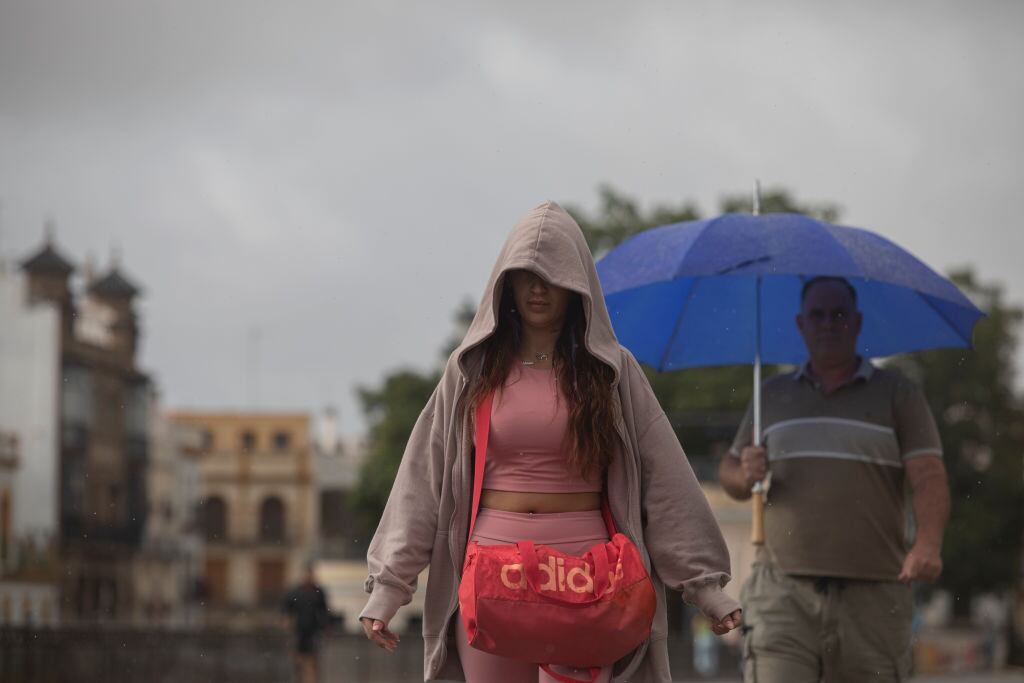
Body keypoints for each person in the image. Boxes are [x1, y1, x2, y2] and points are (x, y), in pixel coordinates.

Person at [359, 201, 742, 682]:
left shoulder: (612, 372)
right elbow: (422, 481)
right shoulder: (470, 369)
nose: (538, 288)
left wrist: (706, 587)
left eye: (552, 275)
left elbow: (666, 483)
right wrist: (389, 588)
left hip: (586, 578)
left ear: (578, 284)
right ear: (506, 283)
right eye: (525, 275)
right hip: (490, 576)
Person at [719, 276, 951, 683]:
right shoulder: (771, 394)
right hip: (782, 593)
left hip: (875, 596)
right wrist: (745, 473)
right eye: (818, 314)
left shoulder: (898, 394)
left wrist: (928, 543)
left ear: (857, 322)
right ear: (800, 323)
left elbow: (929, 477)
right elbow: (730, 474)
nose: (828, 323)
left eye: (839, 314)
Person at [281, 563, 331, 683]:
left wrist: (326, 628)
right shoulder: (295, 592)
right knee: (298, 660)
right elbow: (286, 609)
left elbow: (324, 612)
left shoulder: (318, 592)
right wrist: (286, 620)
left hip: (313, 630)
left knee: (312, 660)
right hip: (299, 630)